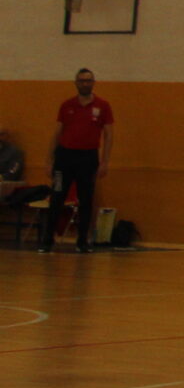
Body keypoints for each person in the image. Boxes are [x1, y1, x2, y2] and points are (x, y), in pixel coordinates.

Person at [46, 69, 114, 254]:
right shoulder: (67, 105)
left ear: (93, 82)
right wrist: (50, 160)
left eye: (88, 80)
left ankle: (82, 241)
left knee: (86, 200)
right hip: (64, 157)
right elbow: (58, 132)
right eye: (82, 80)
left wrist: (105, 161)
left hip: (88, 158)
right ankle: (47, 241)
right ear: (76, 83)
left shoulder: (103, 105)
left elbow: (108, 135)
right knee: (57, 197)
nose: (85, 83)